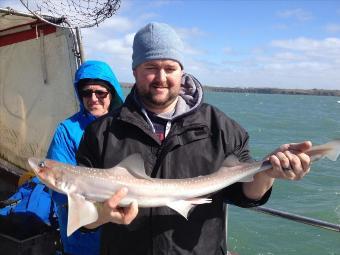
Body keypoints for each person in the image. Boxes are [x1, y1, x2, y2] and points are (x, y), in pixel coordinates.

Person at [76, 23, 311, 255]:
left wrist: (268, 173)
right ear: (135, 70)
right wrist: (100, 214)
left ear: (181, 71)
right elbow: (81, 217)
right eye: (150, 67)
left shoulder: (220, 127)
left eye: (170, 68)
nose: (161, 77)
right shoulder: (101, 133)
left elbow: (246, 193)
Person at [46, 60, 124, 255]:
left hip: (122, 227)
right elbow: (59, 188)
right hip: (83, 234)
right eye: (86, 93)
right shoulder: (66, 130)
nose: (93, 98)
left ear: (112, 93)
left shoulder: (127, 127)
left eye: (100, 92)